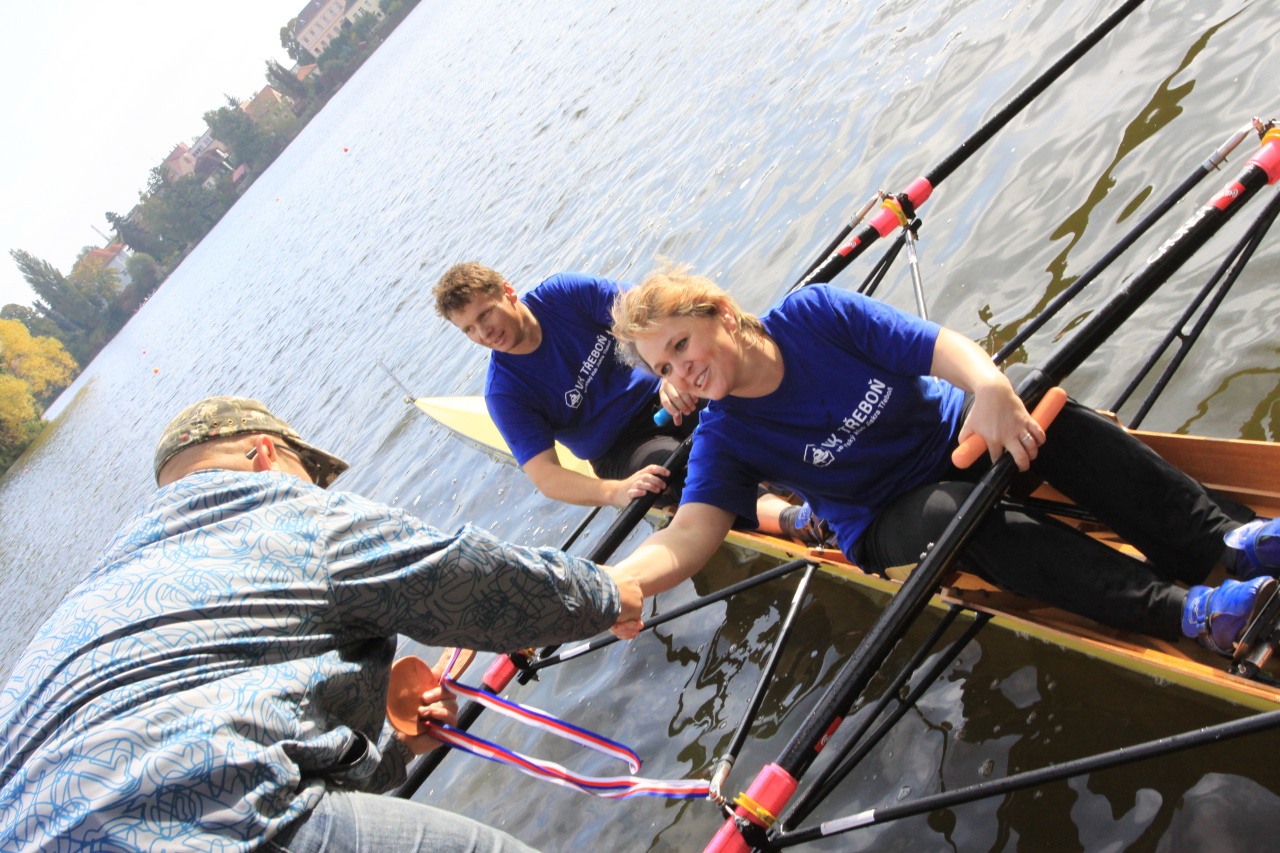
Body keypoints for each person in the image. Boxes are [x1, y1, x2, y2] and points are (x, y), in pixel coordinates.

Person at [0, 396, 641, 853]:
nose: (317, 490)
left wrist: (396, 752)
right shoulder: (271, 505)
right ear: (264, 454)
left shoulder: (106, 578)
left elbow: (226, 729)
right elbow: (467, 582)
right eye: (311, 476)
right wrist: (607, 593)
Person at [605, 264, 1280, 656]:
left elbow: (935, 346)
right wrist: (622, 581)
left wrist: (989, 386)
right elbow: (690, 534)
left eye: (681, 345)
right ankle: (1187, 611)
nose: (681, 371)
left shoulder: (814, 314)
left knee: (1037, 401)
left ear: (723, 313)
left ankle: (1220, 540)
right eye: (664, 367)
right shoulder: (723, 436)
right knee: (956, 515)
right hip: (886, 517)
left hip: (951, 435)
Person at [433, 262, 820, 542]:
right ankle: (794, 520)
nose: (484, 333)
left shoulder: (563, 294)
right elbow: (546, 478)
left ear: (507, 291)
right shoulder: (505, 393)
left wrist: (667, 374)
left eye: (486, 314)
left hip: (668, 392)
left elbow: (651, 317)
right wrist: (615, 492)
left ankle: (817, 462)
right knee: (665, 467)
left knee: (739, 394)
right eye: (469, 329)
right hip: (621, 449)